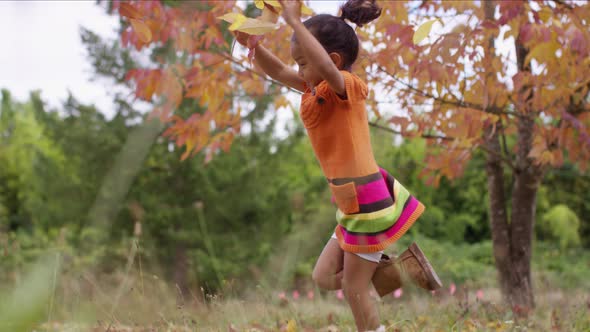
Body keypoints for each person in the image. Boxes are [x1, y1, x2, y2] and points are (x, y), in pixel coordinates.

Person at [236, 0, 441, 330]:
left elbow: (329, 72)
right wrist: (252, 44)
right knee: (323, 277)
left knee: (352, 287)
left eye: (304, 61)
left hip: (367, 201)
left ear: (331, 59)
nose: (300, 69)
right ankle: (400, 270)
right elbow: (276, 71)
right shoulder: (311, 88)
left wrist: (294, 22)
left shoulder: (349, 86)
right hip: (349, 202)